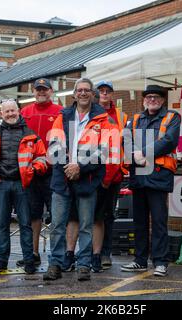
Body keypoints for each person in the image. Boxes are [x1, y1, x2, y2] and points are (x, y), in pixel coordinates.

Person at [43, 78, 118, 281]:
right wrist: (69, 169)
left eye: (87, 90)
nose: (83, 93)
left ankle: (84, 264)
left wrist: (81, 168)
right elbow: (54, 146)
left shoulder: (103, 119)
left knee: (86, 225)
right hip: (62, 179)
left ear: (92, 95)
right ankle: (55, 264)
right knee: (57, 225)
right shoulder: (63, 115)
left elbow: (105, 151)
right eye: (80, 90)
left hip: (88, 180)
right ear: (74, 94)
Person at [64, 80, 127, 273]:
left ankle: (99, 255)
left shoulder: (118, 117)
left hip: (108, 177)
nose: (104, 94)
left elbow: (114, 150)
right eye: (101, 91)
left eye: (108, 91)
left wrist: (107, 179)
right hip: (85, 175)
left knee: (100, 218)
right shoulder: (87, 115)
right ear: (96, 94)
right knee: (76, 217)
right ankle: (70, 255)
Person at [0, 99, 47, 274]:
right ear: (1, 114)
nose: (10, 114)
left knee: (25, 224)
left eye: (13, 111)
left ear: (19, 112)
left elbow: (42, 157)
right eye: (7, 111)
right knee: (2, 224)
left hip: (22, 184)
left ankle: (28, 261)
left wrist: (33, 169)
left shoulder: (31, 134)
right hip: (1, 183)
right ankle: (2, 261)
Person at [121, 84, 181, 277]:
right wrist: (133, 153)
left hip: (158, 176)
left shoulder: (172, 117)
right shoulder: (136, 118)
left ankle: (160, 262)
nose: (152, 100)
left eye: (156, 97)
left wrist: (143, 153)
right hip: (139, 176)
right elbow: (125, 138)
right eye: (149, 97)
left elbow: (169, 140)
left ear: (163, 100)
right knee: (139, 221)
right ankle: (140, 260)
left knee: (159, 221)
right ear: (144, 100)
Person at [20, 78, 63, 267]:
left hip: (52, 171)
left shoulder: (59, 112)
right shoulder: (25, 112)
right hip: (30, 171)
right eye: (38, 89)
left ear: (51, 92)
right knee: (32, 215)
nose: (41, 92)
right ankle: (34, 253)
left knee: (56, 215)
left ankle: (57, 255)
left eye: (45, 89)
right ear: (33, 91)